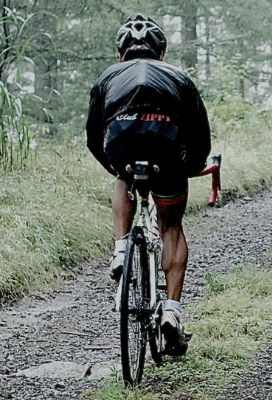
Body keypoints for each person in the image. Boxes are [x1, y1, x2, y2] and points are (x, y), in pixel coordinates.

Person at [86, 14, 211, 357]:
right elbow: (200, 135)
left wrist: (114, 167)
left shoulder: (107, 77)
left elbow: (93, 138)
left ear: (121, 53)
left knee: (123, 176)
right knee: (171, 226)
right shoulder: (178, 77)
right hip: (167, 149)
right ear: (161, 53)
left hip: (122, 144)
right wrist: (191, 167)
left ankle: (121, 249)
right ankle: (171, 311)